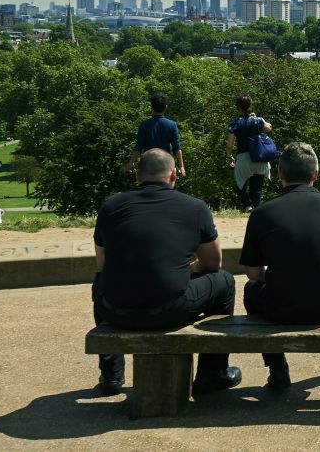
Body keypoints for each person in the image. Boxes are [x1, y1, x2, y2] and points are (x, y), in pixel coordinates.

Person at [91, 149, 240, 397]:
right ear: (173, 174)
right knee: (225, 281)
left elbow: (102, 263)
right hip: (171, 309)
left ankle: (111, 375)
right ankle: (212, 373)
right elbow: (214, 263)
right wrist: (189, 269)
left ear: (137, 175)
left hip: (115, 310)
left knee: (101, 282)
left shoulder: (110, 206)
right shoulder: (194, 207)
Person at [240, 142, 320, 390]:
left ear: (279, 174)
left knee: (250, 291)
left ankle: (278, 371)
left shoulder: (261, 213)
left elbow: (253, 273)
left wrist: (283, 277)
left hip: (280, 309)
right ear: (315, 175)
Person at [225, 94, 273, 211]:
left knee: (239, 183)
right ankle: (256, 210)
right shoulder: (257, 120)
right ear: (250, 105)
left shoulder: (235, 123)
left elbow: (229, 145)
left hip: (244, 157)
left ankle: (247, 205)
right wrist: (257, 119)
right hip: (259, 157)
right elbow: (269, 127)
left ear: (238, 107)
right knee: (256, 188)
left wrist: (229, 156)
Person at [126, 93, 185, 177]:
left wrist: (130, 163)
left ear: (151, 107)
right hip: (165, 165)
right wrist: (182, 167)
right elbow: (177, 148)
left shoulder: (144, 125)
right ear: (166, 107)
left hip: (148, 164)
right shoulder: (172, 125)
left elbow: (138, 147)